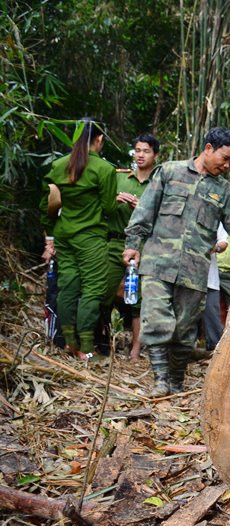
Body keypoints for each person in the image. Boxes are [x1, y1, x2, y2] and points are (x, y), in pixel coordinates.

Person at [123, 127, 230, 397]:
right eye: (224, 158)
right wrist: (133, 244)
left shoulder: (224, 191)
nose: (226, 166)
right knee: (156, 322)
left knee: (183, 331)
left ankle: (176, 380)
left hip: (194, 271)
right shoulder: (169, 172)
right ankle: (160, 380)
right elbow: (145, 211)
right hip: (157, 263)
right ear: (208, 148)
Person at [39, 118, 116, 360]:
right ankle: (86, 347)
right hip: (90, 236)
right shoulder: (104, 169)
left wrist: (50, 235)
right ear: (100, 139)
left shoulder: (58, 165)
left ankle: (68, 341)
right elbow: (110, 208)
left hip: (64, 234)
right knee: (92, 289)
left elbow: (46, 204)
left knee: (68, 286)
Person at [99, 133, 160, 359]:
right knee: (102, 292)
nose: (140, 155)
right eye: (138, 150)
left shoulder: (158, 183)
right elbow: (102, 206)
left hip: (145, 247)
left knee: (138, 302)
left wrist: (141, 210)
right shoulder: (119, 178)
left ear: (155, 155)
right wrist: (114, 200)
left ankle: (135, 350)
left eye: (146, 151)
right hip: (115, 242)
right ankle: (103, 341)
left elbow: (165, 220)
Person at [201, 224, 228, 352]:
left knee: (212, 315)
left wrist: (215, 247)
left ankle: (216, 352)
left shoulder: (213, 211)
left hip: (209, 277)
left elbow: (223, 242)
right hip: (183, 278)